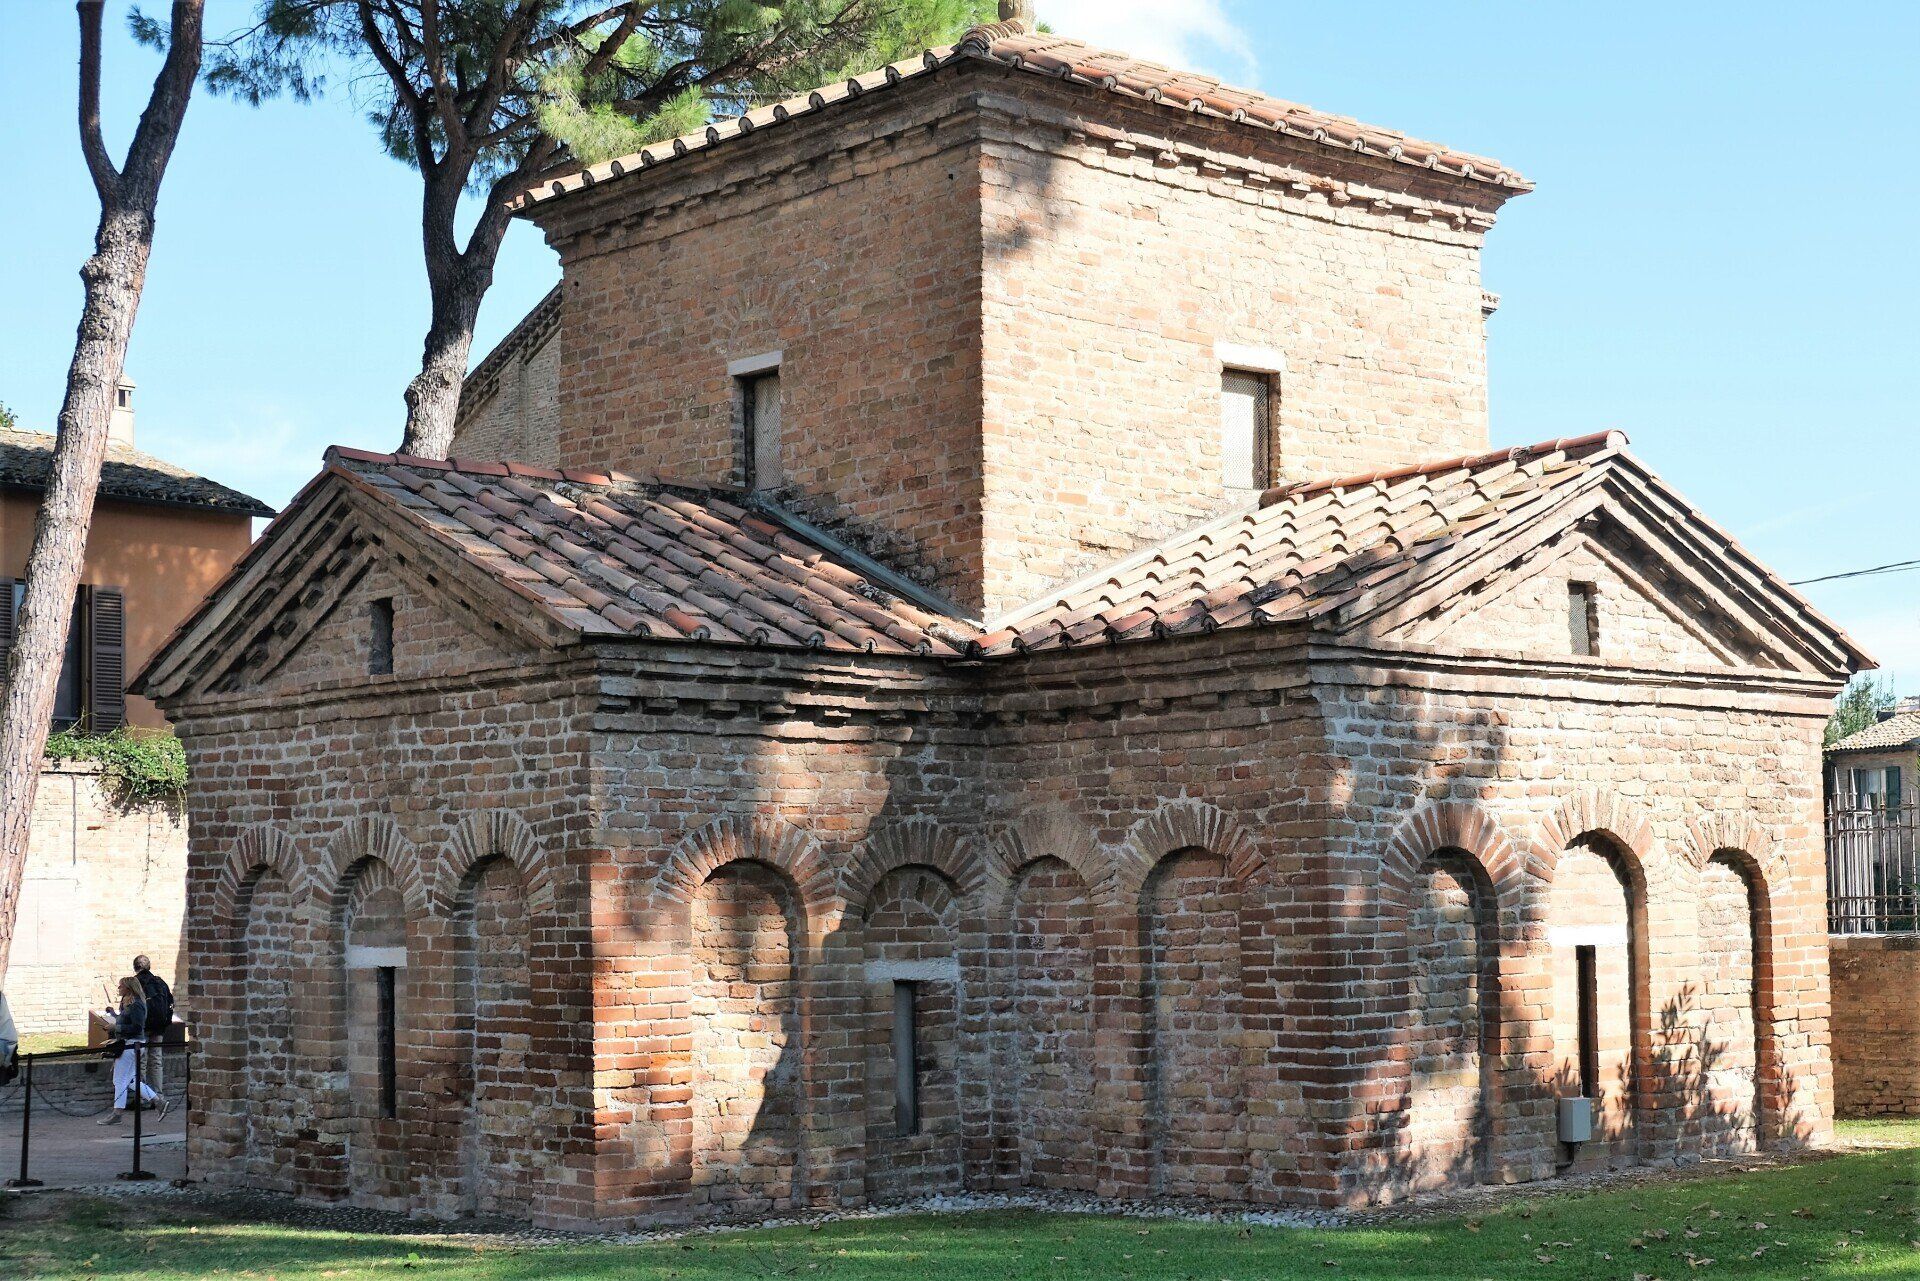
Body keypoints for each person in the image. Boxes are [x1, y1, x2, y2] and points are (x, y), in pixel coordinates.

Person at [98, 976, 167, 1125]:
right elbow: (125, 1020)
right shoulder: (128, 1003)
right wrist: (112, 1016)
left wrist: (116, 1027)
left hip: (132, 1044)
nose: (118, 988)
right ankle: (158, 1101)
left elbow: (137, 1026)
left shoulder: (137, 1004)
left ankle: (117, 1113)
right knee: (130, 1080)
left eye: (121, 986)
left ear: (129, 988)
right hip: (129, 1043)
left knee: (119, 1079)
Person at [132, 954, 174, 1094]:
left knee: (141, 1062)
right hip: (158, 1027)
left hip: (142, 1027)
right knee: (156, 1060)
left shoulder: (134, 983)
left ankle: (144, 1097)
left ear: (135, 967)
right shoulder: (160, 982)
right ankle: (158, 1095)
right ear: (149, 967)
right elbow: (170, 1002)